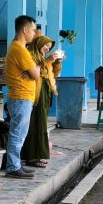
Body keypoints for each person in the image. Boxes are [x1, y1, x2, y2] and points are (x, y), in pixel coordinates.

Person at [3, 15, 41, 179]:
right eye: (33, 30)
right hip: (21, 97)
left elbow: (32, 74)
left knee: (19, 133)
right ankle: (13, 167)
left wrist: (34, 70)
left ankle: (15, 164)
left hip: (21, 97)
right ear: (25, 30)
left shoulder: (17, 48)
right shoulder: (19, 49)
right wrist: (37, 68)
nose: (34, 33)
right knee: (17, 133)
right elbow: (35, 74)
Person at [22, 35, 63, 168]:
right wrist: (48, 61)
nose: (47, 48)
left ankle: (37, 154)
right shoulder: (30, 56)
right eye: (46, 45)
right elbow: (35, 72)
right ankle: (32, 156)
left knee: (41, 124)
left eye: (49, 47)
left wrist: (57, 63)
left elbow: (52, 74)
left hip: (45, 92)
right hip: (34, 93)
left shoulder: (41, 57)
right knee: (36, 124)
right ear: (39, 44)